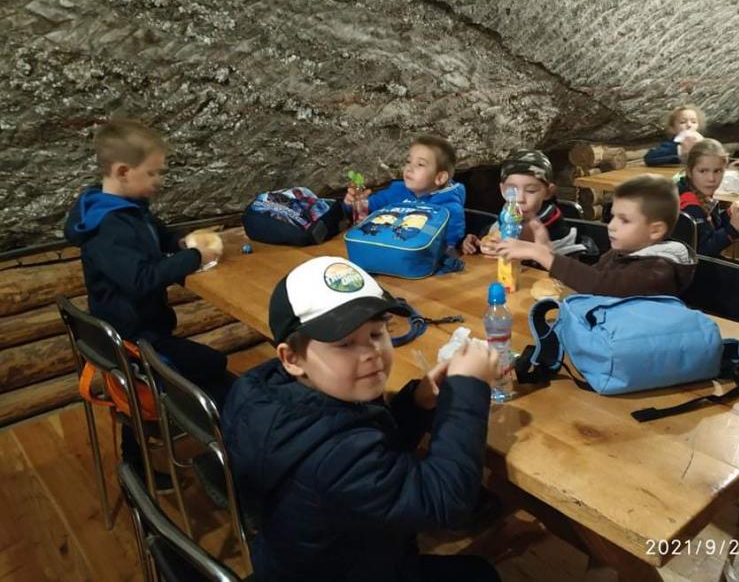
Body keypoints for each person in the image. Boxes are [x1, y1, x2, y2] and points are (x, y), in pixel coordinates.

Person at [222, 256, 501, 582]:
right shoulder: (335, 455)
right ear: (292, 358)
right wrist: (469, 388)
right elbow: (447, 500)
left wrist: (415, 403)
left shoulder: (271, 392)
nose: (371, 352)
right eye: (344, 344)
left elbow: (372, 455)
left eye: (377, 333)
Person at [64, 119, 233, 485]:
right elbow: (141, 279)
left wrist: (182, 242)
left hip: (138, 335)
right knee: (220, 372)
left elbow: (157, 234)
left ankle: (137, 460)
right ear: (123, 171)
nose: (159, 180)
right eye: (153, 173)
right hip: (137, 343)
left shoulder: (126, 207)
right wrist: (194, 258)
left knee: (210, 364)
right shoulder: (108, 227)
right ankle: (233, 458)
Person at [494, 174, 696, 296]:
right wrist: (544, 250)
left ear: (655, 230)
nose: (612, 226)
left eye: (624, 220)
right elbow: (585, 279)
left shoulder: (658, 271)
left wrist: (540, 254)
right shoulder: (623, 252)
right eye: (613, 216)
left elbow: (599, 285)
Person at [345, 135, 466, 249]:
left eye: (420, 164)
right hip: (382, 250)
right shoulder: (396, 191)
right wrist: (354, 203)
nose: (409, 168)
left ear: (440, 178)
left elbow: (450, 246)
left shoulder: (448, 209)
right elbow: (365, 210)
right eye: (408, 161)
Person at [461, 149, 581, 257]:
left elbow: (560, 264)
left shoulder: (556, 230)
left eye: (531, 191)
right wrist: (476, 244)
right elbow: (489, 240)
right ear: (502, 190)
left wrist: (527, 251)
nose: (520, 199)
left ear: (548, 192)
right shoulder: (505, 218)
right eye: (511, 190)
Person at [679, 139, 739, 257]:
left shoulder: (698, 192)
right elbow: (703, 253)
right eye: (703, 171)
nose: (711, 178)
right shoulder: (690, 205)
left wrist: (731, 213)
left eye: (717, 171)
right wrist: (733, 228)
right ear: (689, 172)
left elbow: (710, 228)